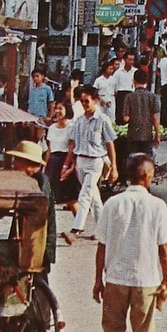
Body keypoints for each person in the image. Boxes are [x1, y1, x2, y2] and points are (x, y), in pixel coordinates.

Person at [93, 152, 167, 332]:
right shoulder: (158, 206)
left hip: (116, 278)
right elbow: (164, 249)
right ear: (148, 176)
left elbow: (102, 246)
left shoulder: (112, 203)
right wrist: (166, 281)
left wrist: (98, 279)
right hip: (146, 280)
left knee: (112, 328)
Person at [0, 140, 57, 275]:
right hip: (22, 234)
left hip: (37, 238)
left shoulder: (41, 182)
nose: (13, 165)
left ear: (27, 164)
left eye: (16, 162)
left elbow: (35, 210)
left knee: (34, 276)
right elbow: (9, 203)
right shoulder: (24, 179)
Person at [61, 88, 118, 245]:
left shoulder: (102, 120)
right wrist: (67, 164)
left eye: (87, 101)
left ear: (95, 100)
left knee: (85, 194)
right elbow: (73, 144)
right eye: (82, 101)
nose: (85, 104)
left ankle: (76, 229)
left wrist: (114, 167)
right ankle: (102, 229)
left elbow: (110, 143)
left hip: (95, 161)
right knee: (94, 198)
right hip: (81, 161)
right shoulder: (79, 121)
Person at [41, 101, 79, 213]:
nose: (57, 111)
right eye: (56, 108)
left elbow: (71, 149)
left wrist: (66, 166)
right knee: (48, 196)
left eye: (60, 108)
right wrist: (45, 165)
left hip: (65, 161)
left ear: (67, 110)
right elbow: (49, 149)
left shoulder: (72, 127)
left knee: (70, 198)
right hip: (52, 162)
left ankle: (78, 226)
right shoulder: (52, 128)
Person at [118, 68, 161, 164]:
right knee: (146, 160)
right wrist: (158, 135)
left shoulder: (129, 97)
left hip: (133, 134)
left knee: (133, 161)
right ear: (146, 81)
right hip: (147, 133)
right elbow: (155, 117)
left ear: (134, 81)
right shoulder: (153, 97)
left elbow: (126, 118)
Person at [93, 57, 121, 124]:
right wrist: (101, 99)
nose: (111, 71)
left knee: (111, 118)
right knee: (100, 117)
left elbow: (115, 91)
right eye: (110, 69)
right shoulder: (99, 80)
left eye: (112, 69)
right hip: (101, 99)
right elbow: (95, 91)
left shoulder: (113, 79)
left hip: (110, 99)